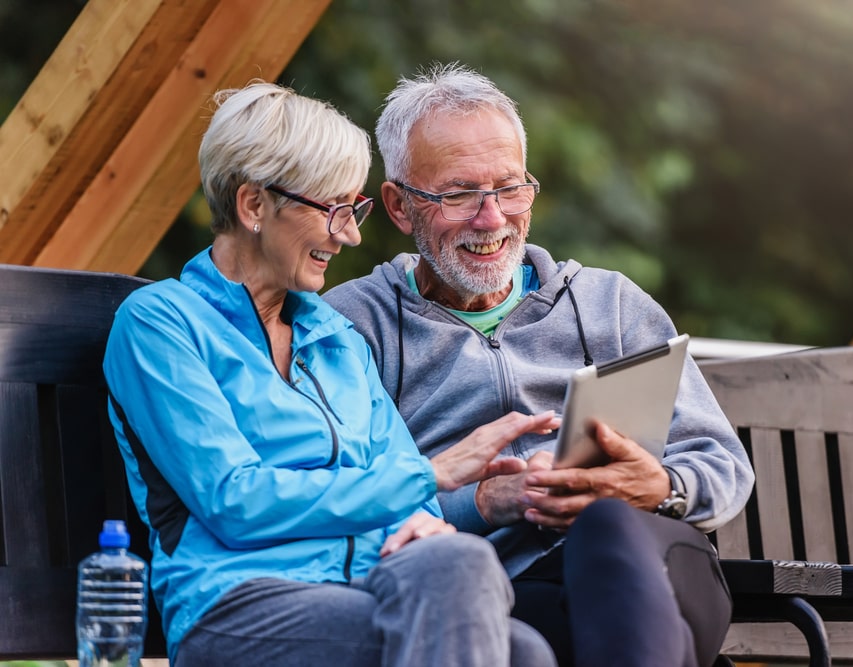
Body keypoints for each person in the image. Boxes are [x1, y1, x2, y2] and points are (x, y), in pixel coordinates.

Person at [102, 81, 560, 667]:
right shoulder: (160, 325)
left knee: (510, 630)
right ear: (253, 206)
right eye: (334, 210)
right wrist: (430, 476)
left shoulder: (335, 338)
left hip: (363, 587)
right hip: (239, 605)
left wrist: (425, 524)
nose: (351, 234)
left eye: (356, 208)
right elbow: (233, 500)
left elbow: (402, 490)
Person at [323, 63, 756, 667]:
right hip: (500, 592)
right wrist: (487, 500)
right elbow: (342, 504)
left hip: (657, 559)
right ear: (398, 205)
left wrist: (658, 486)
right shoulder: (350, 325)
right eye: (459, 193)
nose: (492, 218)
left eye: (508, 187)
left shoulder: (610, 303)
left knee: (607, 528)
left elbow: (720, 460)